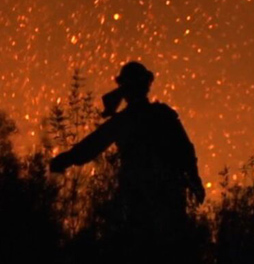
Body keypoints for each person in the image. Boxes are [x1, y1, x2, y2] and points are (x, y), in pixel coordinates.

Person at [50, 61, 205, 245]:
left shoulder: (128, 119)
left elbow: (93, 144)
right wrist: (194, 180)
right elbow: (186, 150)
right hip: (160, 196)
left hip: (140, 197)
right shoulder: (161, 114)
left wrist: (66, 159)